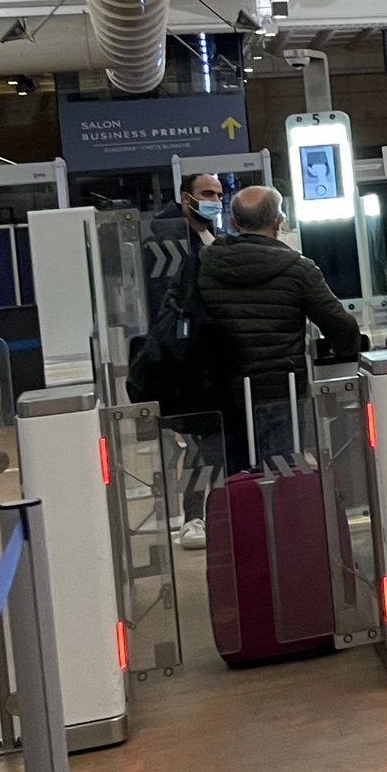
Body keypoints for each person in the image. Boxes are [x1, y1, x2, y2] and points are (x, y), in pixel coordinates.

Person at [192, 185, 362, 473]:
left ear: (233, 223)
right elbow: (342, 328)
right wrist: (343, 350)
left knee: (231, 483)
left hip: (221, 394)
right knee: (280, 479)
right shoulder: (298, 269)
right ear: (279, 220)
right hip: (280, 393)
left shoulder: (202, 266)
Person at [152, 172, 226, 550]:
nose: (214, 199)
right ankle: (193, 516)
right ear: (186, 197)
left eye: (218, 193)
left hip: (209, 355)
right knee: (200, 442)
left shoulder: (210, 234)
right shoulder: (169, 238)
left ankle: (203, 514)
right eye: (206, 193)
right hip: (186, 356)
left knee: (207, 442)